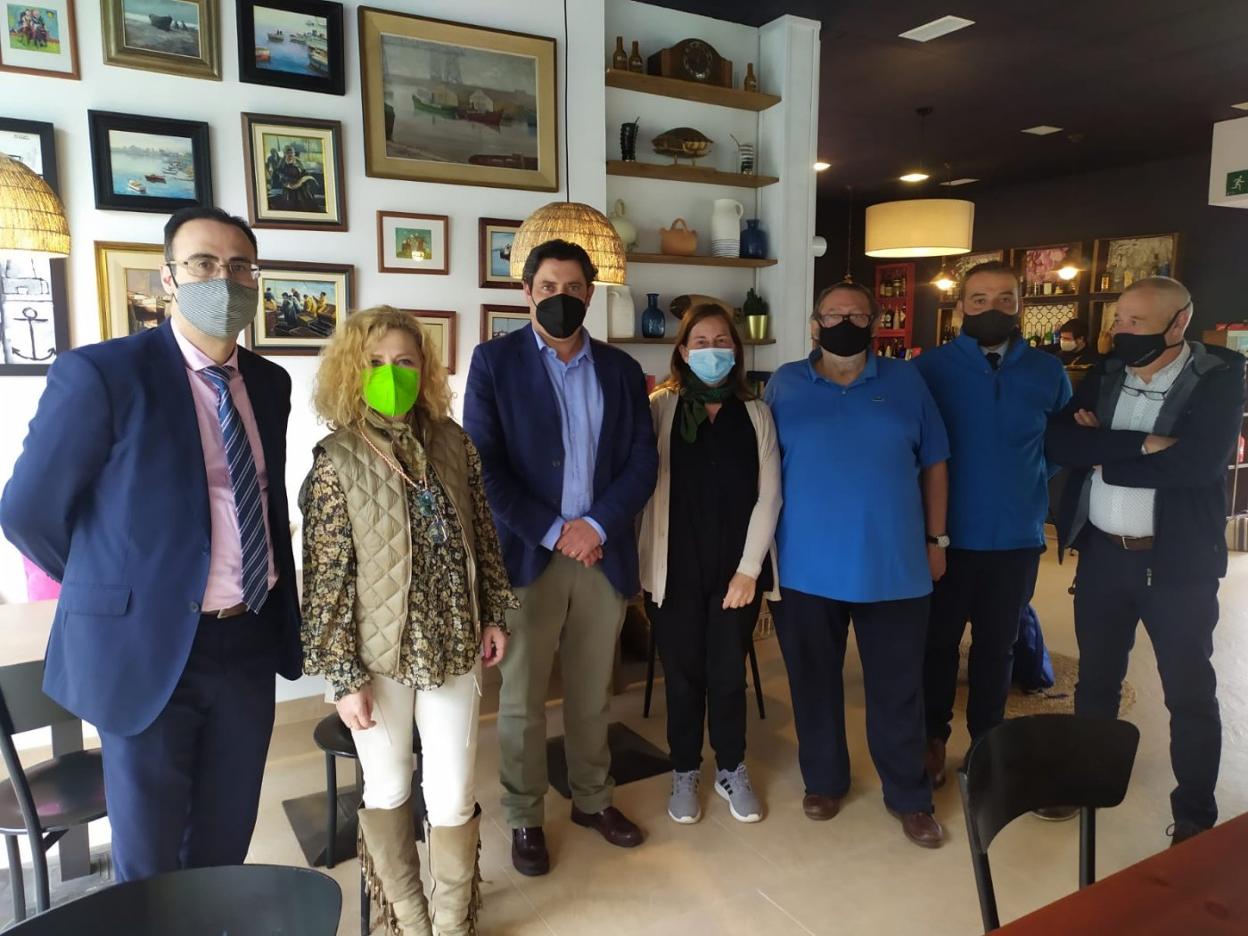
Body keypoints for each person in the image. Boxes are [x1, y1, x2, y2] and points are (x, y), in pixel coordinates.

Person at [0, 207, 302, 881]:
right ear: (169, 278)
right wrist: (116, 593)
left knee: (226, 839)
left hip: (249, 638)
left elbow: (259, 502)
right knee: (150, 857)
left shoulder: (271, 384)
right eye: (203, 264)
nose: (224, 280)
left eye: (240, 267)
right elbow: (27, 512)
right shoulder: (104, 375)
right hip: (149, 651)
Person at [301, 307, 517, 935]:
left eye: (404, 361)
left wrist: (494, 613)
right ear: (351, 370)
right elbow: (325, 582)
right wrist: (343, 677)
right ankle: (409, 922)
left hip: (453, 642)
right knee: (389, 786)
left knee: (451, 794)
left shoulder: (454, 443)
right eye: (375, 363)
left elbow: (483, 534)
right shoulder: (336, 459)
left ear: (423, 369)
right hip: (377, 656)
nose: (391, 373)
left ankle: (452, 925)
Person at [463, 239, 658, 876]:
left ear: (590, 295)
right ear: (527, 293)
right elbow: (483, 468)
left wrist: (596, 524)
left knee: (591, 692)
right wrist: (555, 530)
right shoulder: (493, 363)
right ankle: (524, 816)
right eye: (548, 287)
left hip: (602, 552)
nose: (560, 298)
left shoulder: (623, 371)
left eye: (573, 288)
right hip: (529, 553)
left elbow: (641, 462)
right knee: (519, 699)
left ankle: (592, 798)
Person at [1046, 276, 1246, 847]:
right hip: (1105, 555)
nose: (1120, 331)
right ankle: (1087, 779)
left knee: (1188, 691)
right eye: (1118, 320)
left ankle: (1194, 814)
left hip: (1178, 566)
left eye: (1135, 322)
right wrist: (1140, 445)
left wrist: (1105, 451)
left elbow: (1199, 467)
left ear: (1178, 322)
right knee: (1097, 680)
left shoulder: (1219, 378)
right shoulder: (1106, 373)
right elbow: (1059, 444)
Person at [764, 281, 949, 848]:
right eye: (834, 313)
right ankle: (824, 782)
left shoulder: (905, 380)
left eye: (858, 313)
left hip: (893, 565)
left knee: (898, 686)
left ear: (875, 321)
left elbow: (936, 463)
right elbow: (763, 471)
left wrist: (937, 538)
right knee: (813, 682)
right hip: (804, 567)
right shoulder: (784, 384)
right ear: (814, 323)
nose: (846, 321)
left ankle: (909, 795)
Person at [914, 261, 1072, 793]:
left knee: (997, 648)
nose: (992, 308)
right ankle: (932, 739)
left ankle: (986, 743)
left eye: (1005, 298)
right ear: (959, 306)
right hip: (947, 536)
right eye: (978, 299)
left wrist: (1026, 480)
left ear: (1020, 305)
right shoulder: (929, 370)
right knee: (937, 644)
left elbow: (1062, 445)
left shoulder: (1048, 372)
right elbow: (913, 451)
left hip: (1017, 537)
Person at [638, 304, 781, 825]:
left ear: (737, 351)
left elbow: (770, 497)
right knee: (682, 675)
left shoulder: (757, 412)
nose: (712, 350)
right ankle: (683, 769)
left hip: (735, 573)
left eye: (722, 340)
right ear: (681, 350)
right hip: (674, 569)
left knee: (727, 674)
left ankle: (732, 767)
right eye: (700, 341)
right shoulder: (661, 408)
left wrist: (749, 570)